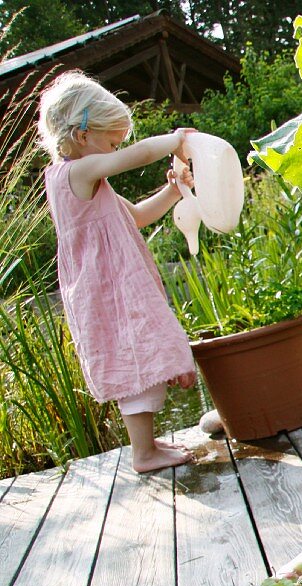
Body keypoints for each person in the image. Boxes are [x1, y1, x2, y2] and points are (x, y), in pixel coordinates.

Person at [38, 70, 197, 473]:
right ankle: (143, 454)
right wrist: (175, 142)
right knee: (134, 358)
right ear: (81, 135)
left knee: (140, 351)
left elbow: (139, 216)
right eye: (111, 142)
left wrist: (175, 189)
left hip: (115, 285)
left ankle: (146, 444)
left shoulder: (91, 183)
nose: (116, 151)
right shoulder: (73, 174)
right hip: (108, 288)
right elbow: (138, 155)